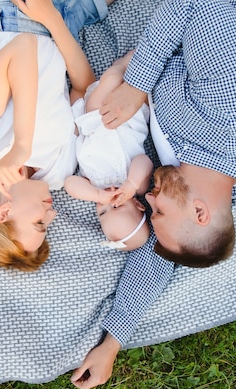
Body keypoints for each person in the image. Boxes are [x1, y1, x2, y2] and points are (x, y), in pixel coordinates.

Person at [71, 0, 236, 389]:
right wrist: (136, 83)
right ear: (200, 212)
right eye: (158, 212)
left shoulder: (209, 186)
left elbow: (158, 261)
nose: (147, 200)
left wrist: (111, 344)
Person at [0, 0, 109, 271]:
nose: (53, 214)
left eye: (40, 223)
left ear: (4, 213)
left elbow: (23, 47)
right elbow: (84, 89)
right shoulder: (57, 176)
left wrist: (22, 145)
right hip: (65, 30)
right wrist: (54, 22)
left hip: (21, 16)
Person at [64, 51, 153, 251]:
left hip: (95, 117)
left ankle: (116, 70)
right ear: (138, 204)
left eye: (103, 212)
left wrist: (96, 194)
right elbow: (144, 161)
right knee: (126, 82)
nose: (108, 200)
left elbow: (69, 184)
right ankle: (124, 65)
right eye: (118, 205)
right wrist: (131, 183)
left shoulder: (94, 186)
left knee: (99, 87)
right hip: (128, 118)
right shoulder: (136, 186)